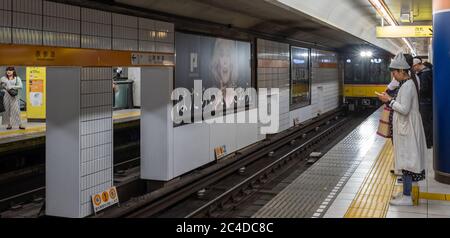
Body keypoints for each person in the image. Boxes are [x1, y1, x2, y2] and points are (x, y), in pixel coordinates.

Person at [377, 53, 427, 206]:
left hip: (408, 127)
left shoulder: (407, 85)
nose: (393, 76)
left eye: (394, 73)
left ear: (401, 71)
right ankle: (406, 192)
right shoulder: (407, 84)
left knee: (407, 162)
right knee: (407, 162)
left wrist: (389, 100)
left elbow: (404, 109)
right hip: (408, 127)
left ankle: (407, 197)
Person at [413, 57, 433, 148]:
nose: (413, 69)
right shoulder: (426, 72)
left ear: (417, 65)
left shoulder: (424, 74)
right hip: (427, 101)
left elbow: (424, 89)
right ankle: (428, 141)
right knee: (427, 122)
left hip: (425, 102)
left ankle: (427, 143)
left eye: (413, 67)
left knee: (425, 122)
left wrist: (415, 91)